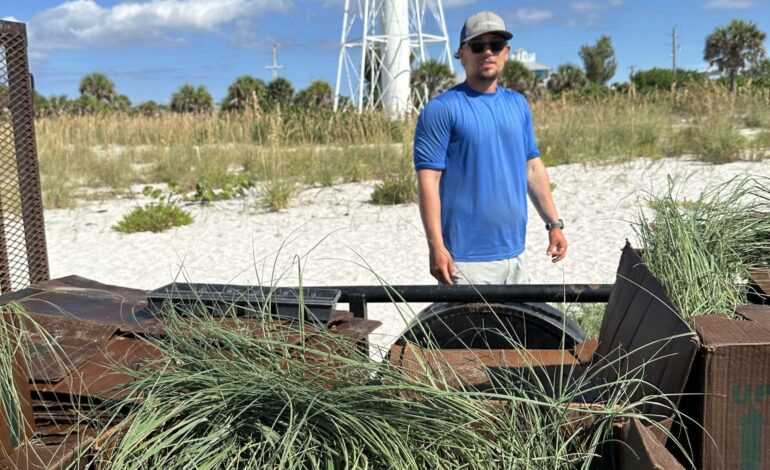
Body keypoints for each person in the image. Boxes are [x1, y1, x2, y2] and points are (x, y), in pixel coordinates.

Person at [413, 10, 567, 285]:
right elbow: (428, 180)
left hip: (516, 256)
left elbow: (532, 167)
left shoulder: (518, 104)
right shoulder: (441, 109)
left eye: (495, 45)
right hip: (465, 260)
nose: (487, 52)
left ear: (506, 52)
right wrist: (436, 246)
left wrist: (554, 224)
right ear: (461, 53)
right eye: (477, 46)